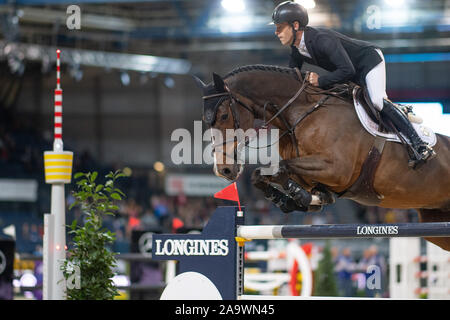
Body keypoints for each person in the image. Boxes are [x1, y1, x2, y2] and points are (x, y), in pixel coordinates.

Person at [270, 1, 435, 167]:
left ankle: (420, 145)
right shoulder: (297, 48)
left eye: (280, 27)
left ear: (295, 25)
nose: (276, 32)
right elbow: (291, 78)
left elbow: (347, 70)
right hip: (353, 71)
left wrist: (320, 81)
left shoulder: (322, 40)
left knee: (377, 101)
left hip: (368, 61)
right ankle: (400, 111)